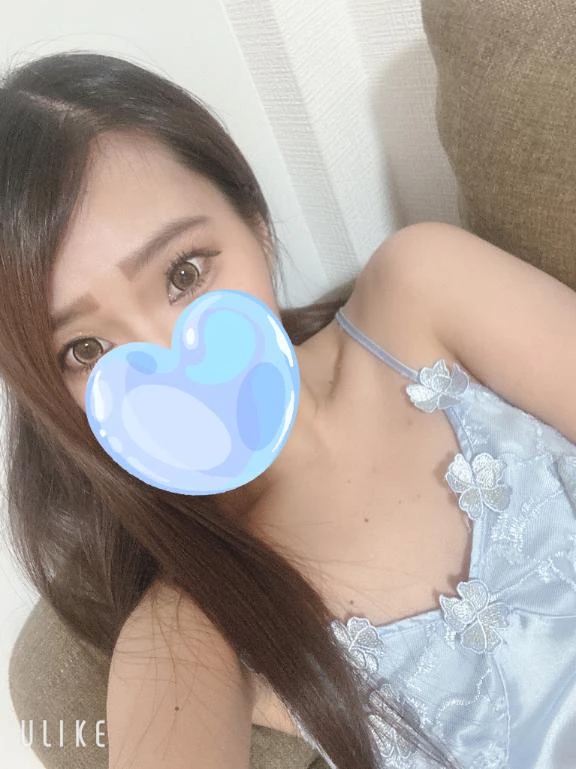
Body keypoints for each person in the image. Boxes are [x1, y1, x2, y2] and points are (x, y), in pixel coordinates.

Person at [1, 51, 575, 769]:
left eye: (184, 272)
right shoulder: (189, 626)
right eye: (85, 349)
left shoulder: (422, 290)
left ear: (255, 223)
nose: (170, 361)